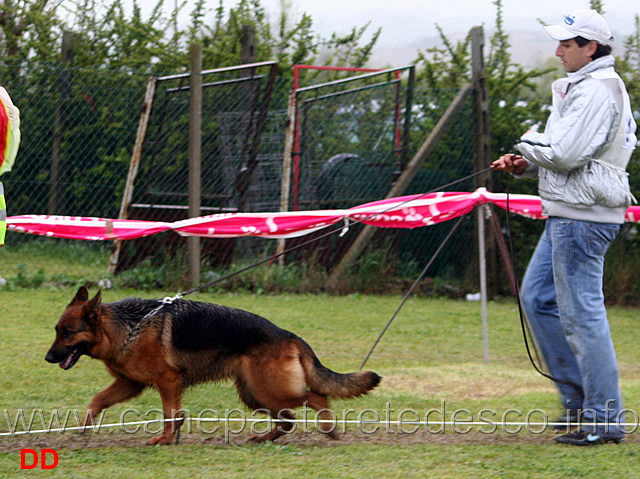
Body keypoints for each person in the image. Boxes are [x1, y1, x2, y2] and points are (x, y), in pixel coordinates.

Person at [492, 8, 636, 446]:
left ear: (590, 47)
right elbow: (567, 156)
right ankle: (579, 404)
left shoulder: (596, 89)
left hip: (582, 218)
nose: (558, 52)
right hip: (570, 212)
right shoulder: (584, 87)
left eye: (566, 44)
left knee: (583, 317)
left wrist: (526, 144)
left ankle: (603, 420)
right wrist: (525, 165)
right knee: (537, 299)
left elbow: (566, 154)